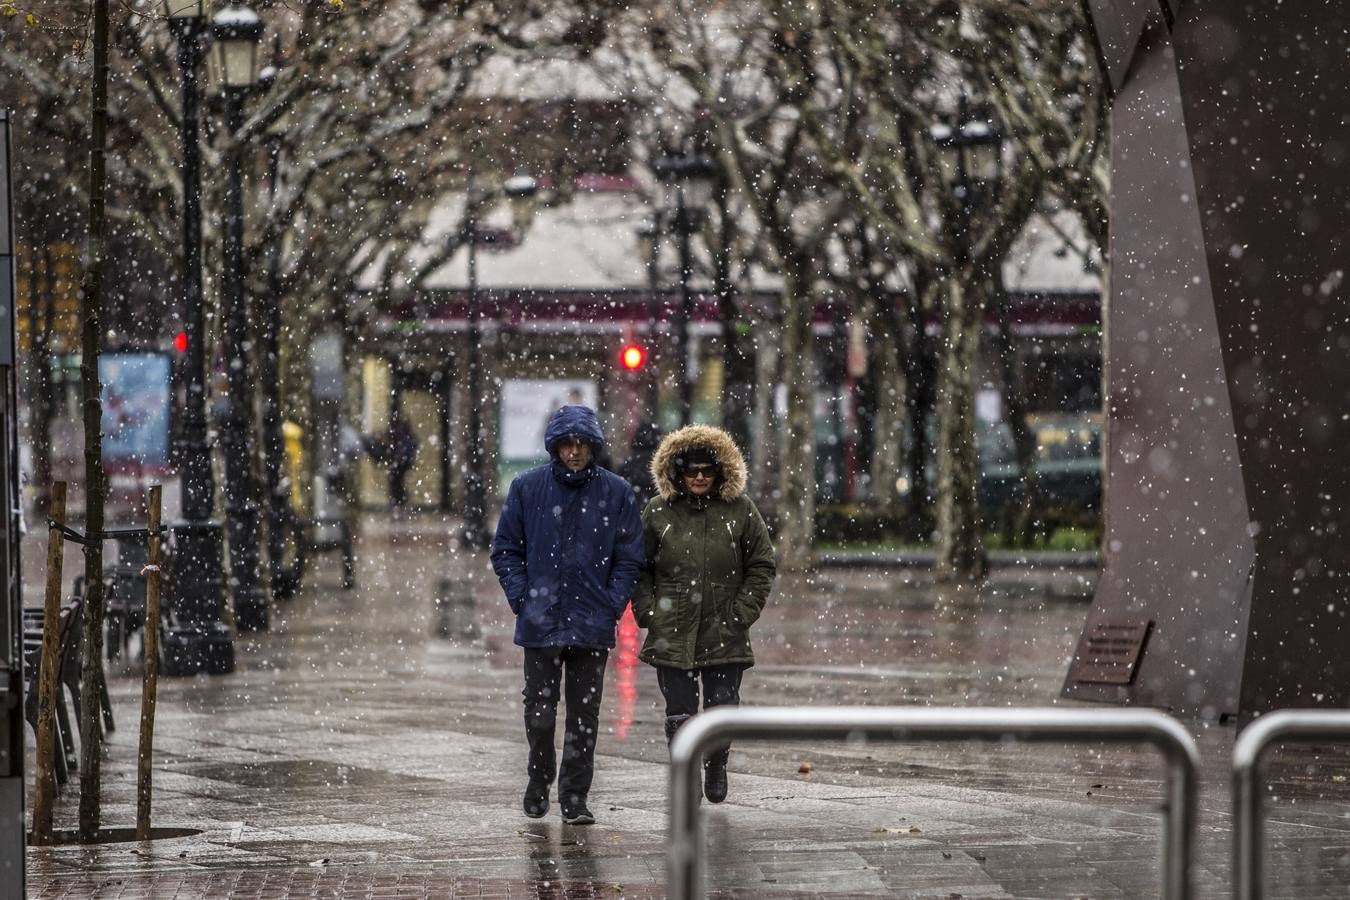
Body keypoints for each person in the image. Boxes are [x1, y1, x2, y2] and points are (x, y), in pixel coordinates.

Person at [491, 405, 644, 825]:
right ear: (555, 446)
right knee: (539, 715)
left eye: (581, 444)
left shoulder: (616, 492)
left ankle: (575, 795)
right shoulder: (527, 488)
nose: (574, 452)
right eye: (566, 444)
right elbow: (506, 550)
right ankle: (539, 778)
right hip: (541, 623)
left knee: (584, 717)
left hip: (591, 625)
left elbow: (629, 558)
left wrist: (611, 603)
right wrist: (523, 598)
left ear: (592, 446)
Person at [633, 424, 776, 803]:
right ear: (677, 471)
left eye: (707, 470)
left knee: (722, 707)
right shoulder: (657, 512)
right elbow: (638, 566)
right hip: (672, 627)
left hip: (724, 628)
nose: (698, 477)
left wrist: (741, 613)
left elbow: (761, 565)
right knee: (679, 711)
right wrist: (649, 611)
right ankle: (686, 773)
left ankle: (716, 763)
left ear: (720, 472)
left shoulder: (741, 511)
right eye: (691, 470)